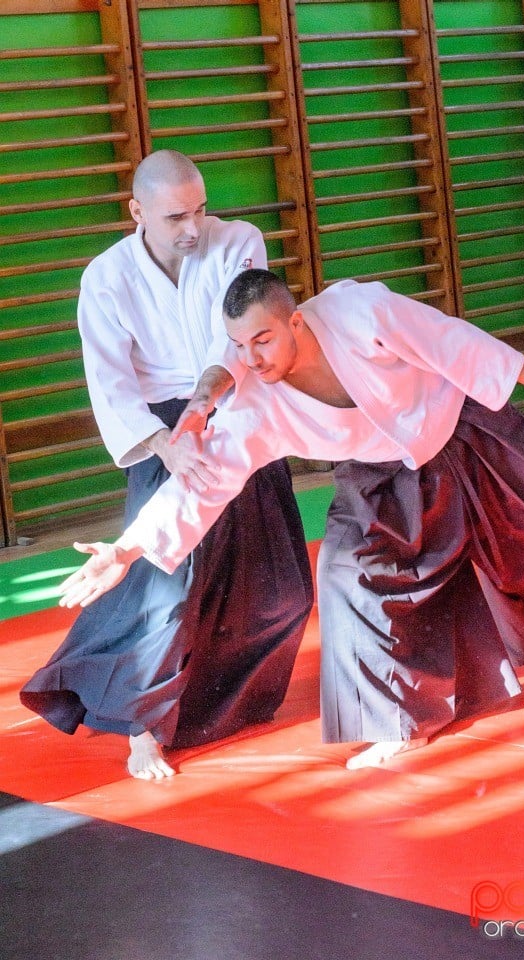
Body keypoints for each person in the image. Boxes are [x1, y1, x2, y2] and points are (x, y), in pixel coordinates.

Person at [55, 269, 524, 770]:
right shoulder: (255, 403)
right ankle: (395, 725)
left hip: (458, 431)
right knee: (342, 575)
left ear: (296, 323)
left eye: (263, 339)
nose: (254, 358)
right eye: (240, 346)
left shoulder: (361, 312)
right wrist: (127, 550)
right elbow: (200, 488)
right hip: (374, 473)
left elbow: (449, 342)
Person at [20, 160, 313, 780]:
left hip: (234, 405)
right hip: (158, 427)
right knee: (164, 588)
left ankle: (226, 705)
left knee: (281, 584)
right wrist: (164, 442)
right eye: (175, 216)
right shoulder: (106, 278)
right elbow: (109, 380)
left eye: (199, 210)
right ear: (137, 213)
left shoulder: (238, 242)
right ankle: (142, 725)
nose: (191, 227)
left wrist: (202, 413)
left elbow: (232, 343)